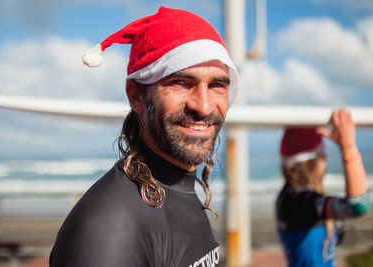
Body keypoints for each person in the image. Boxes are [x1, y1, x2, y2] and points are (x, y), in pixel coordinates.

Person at [49, 6, 239, 267]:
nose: (204, 106)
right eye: (181, 83)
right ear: (137, 95)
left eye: (217, 85)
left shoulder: (177, 186)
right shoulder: (109, 228)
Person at [276, 109, 370, 267]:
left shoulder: (292, 198)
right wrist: (348, 150)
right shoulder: (297, 201)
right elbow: (357, 205)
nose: (325, 158)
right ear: (307, 163)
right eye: (322, 154)